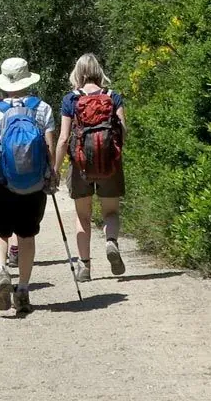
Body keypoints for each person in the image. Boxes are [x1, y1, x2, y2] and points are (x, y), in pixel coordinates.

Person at [0, 57, 57, 316]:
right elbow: (50, 148)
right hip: (33, 186)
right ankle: (22, 290)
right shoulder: (42, 108)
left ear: (4, 82)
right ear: (27, 79)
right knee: (27, 235)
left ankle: (0, 271)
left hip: (2, 184)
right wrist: (51, 175)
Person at [53, 53, 128, 281]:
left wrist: (55, 169)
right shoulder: (113, 96)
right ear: (98, 71)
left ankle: (84, 267)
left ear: (78, 73)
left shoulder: (71, 100)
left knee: (82, 216)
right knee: (111, 212)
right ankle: (110, 242)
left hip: (80, 164)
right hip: (109, 163)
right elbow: (123, 130)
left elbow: (64, 138)